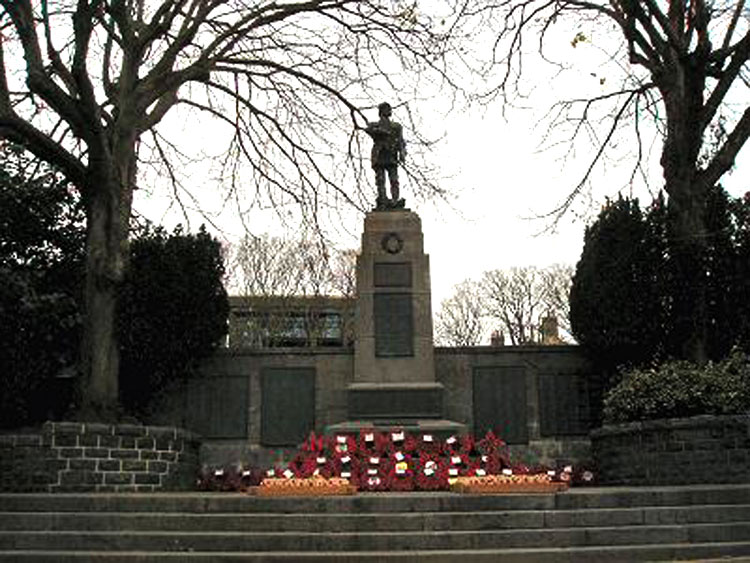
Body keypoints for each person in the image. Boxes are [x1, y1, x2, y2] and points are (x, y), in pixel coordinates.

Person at [363, 102, 406, 209]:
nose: (389, 110)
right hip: (379, 154)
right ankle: (383, 199)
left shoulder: (396, 126)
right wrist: (380, 131)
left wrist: (402, 153)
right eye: (386, 109)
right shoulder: (375, 125)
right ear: (381, 111)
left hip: (391, 155)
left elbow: (401, 141)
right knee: (380, 180)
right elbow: (368, 129)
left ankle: (395, 200)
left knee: (394, 180)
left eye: (389, 108)